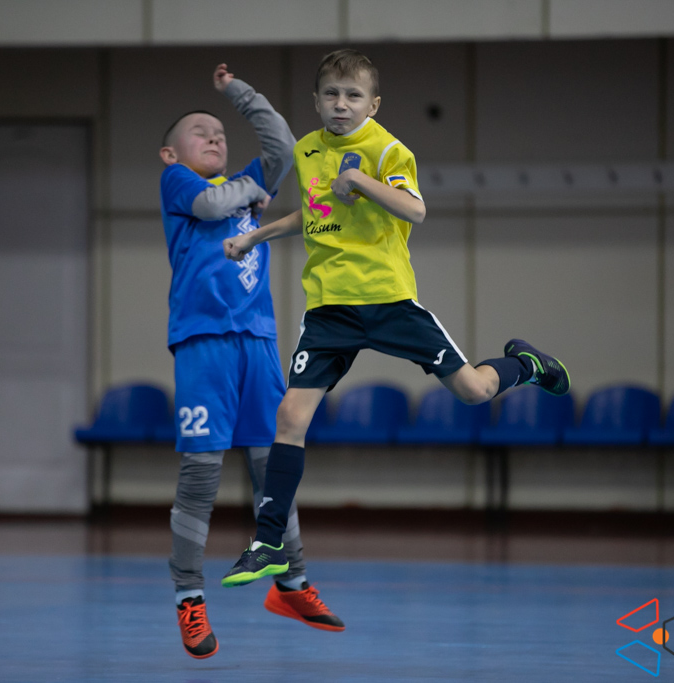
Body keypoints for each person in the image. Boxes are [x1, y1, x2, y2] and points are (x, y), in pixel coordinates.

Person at [220, 49, 571, 588]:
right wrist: (254, 236)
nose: (342, 104)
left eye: (353, 95)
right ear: (316, 101)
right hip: (329, 308)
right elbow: (315, 213)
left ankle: (526, 364)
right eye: (332, 94)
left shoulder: (387, 149)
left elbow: (415, 209)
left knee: (474, 391)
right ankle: (269, 543)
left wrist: (361, 182)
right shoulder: (309, 150)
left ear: (373, 104)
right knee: (289, 416)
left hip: (388, 299)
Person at [159, 64, 343, 660]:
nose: (214, 137)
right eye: (200, 131)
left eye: (220, 132)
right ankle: (189, 597)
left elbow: (283, 147)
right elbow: (212, 205)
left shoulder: (242, 179)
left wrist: (239, 94)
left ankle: (291, 583)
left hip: (258, 341)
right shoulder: (177, 183)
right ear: (171, 153)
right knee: (202, 475)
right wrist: (249, 191)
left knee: (274, 469)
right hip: (203, 342)